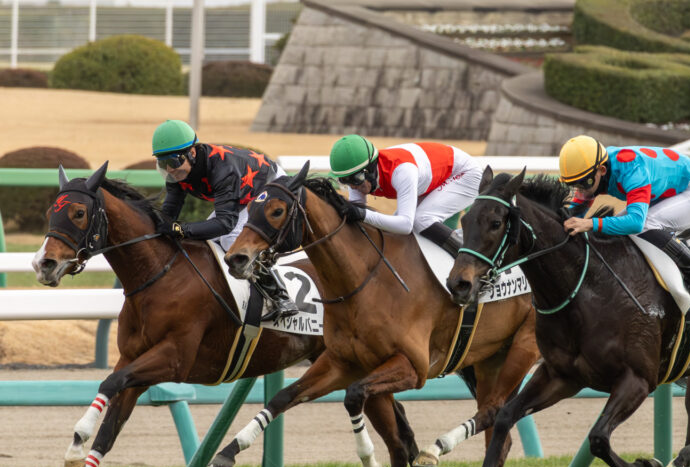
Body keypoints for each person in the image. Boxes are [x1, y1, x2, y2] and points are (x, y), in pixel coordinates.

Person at [151, 119, 298, 321]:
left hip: (268, 188)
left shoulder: (222, 168)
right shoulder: (176, 174)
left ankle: (280, 296)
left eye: (174, 162)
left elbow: (224, 224)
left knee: (231, 240)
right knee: (208, 242)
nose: (169, 169)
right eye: (162, 163)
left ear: (192, 153)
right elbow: (169, 212)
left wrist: (179, 229)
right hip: (243, 196)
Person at [558, 135, 690, 296]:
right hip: (666, 193)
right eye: (573, 184)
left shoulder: (630, 168)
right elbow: (572, 215)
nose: (580, 190)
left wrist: (590, 223)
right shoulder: (592, 170)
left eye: (583, 183)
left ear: (602, 170)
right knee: (619, 228)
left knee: (644, 225)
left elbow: (636, 223)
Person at [328, 135, 483, 257]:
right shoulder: (360, 177)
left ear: (370, 170)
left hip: (465, 174)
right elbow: (358, 220)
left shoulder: (402, 171)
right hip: (432, 178)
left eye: (355, 180)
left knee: (421, 220)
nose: (353, 187)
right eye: (345, 181)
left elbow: (405, 225)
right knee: (392, 234)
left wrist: (361, 214)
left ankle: (471, 259)